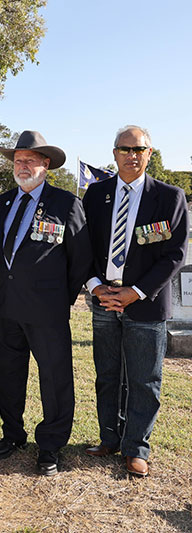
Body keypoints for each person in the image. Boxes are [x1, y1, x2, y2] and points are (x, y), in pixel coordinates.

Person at [82, 125, 187, 477]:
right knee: (108, 375)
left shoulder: (170, 197)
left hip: (145, 303)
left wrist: (135, 292)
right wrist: (97, 286)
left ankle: (136, 447)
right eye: (124, 149)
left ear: (149, 154)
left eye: (139, 149)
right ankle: (109, 439)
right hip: (104, 298)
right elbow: (84, 247)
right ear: (114, 154)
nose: (131, 155)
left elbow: (174, 255)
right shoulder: (96, 195)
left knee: (144, 379)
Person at [0, 131, 91, 476]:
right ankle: (12, 434)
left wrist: (60, 299)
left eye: (31, 159)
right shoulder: (2, 202)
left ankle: (50, 444)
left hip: (47, 311)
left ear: (45, 165)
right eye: (18, 160)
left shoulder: (66, 204)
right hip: (6, 307)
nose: (23, 166)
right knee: (8, 374)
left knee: (55, 378)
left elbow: (80, 259)